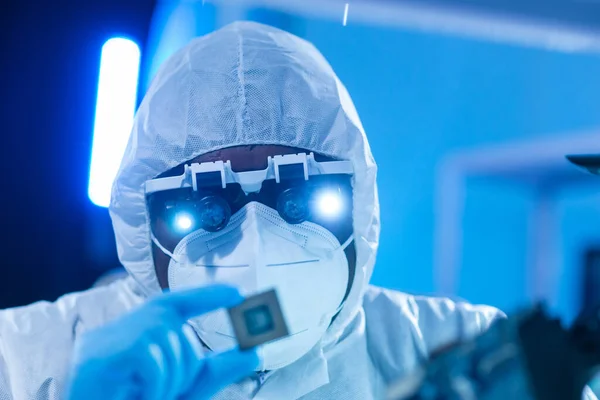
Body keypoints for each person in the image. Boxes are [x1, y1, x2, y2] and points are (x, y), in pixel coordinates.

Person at [0, 21, 507, 400]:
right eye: (204, 208)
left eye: (300, 199)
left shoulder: (466, 349)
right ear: (140, 222)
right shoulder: (21, 359)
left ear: (361, 203)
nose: (257, 242)